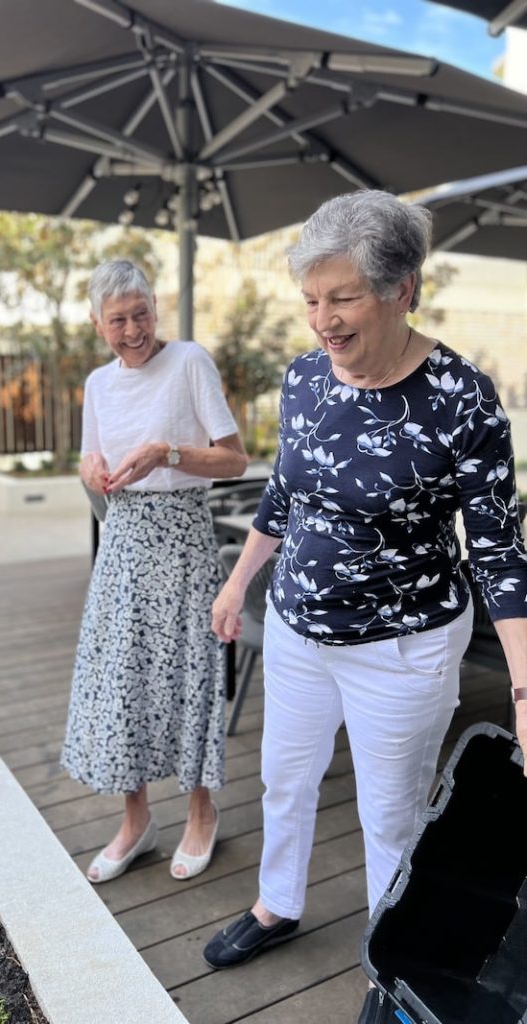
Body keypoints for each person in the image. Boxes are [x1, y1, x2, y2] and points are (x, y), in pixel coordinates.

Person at [200, 191, 527, 1023]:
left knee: (390, 819)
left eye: (342, 298)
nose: (323, 321)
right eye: (311, 300)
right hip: (300, 631)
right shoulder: (306, 376)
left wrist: (523, 691)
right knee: (284, 779)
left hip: (404, 649)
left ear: (402, 289)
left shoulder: (462, 398)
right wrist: (240, 583)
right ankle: (278, 903)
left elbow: (498, 552)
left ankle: (393, 969)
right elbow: (284, 491)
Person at [60, 259, 248, 884]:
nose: (134, 329)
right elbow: (96, 472)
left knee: (191, 675)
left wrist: (167, 453)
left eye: (141, 314)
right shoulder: (97, 385)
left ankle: (201, 813)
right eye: (118, 320)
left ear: (155, 309)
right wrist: (90, 474)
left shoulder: (190, 361)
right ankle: (136, 820)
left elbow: (233, 460)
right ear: (97, 324)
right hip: (122, 543)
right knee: (124, 681)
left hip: (184, 539)